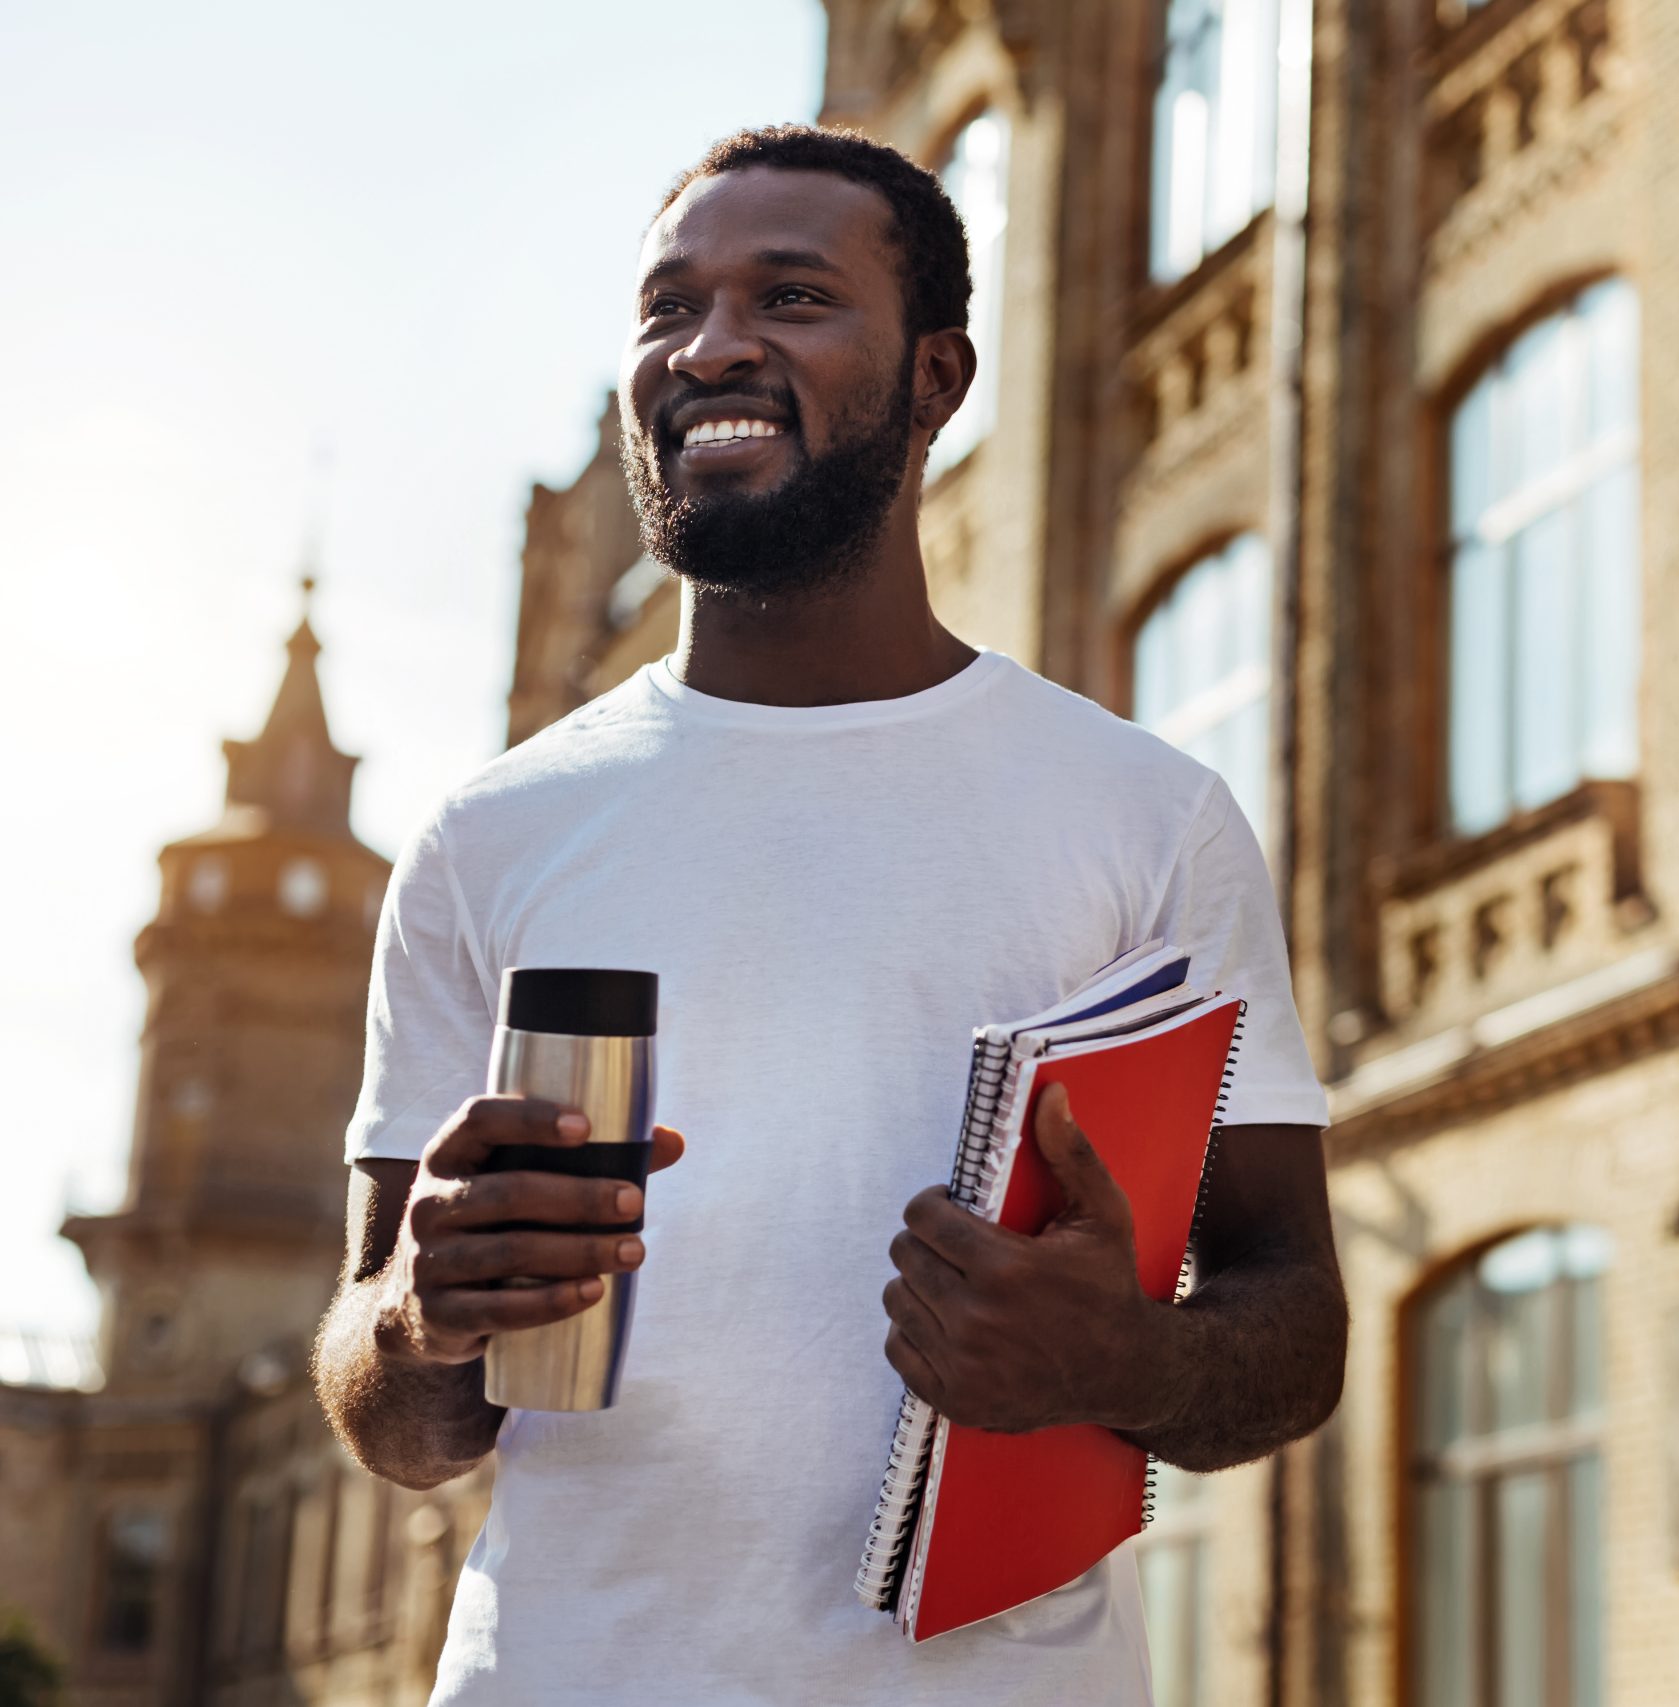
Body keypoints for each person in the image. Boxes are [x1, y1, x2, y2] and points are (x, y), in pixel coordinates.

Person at [311, 124, 1347, 1704]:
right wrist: (414, 1320)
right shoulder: (489, 836)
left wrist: (1122, 1364)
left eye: (792, 297)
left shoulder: (1146, 817)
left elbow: (1295, 1326)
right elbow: (392, 1424)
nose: (709, 345)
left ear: (936, 380)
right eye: (669, 308)